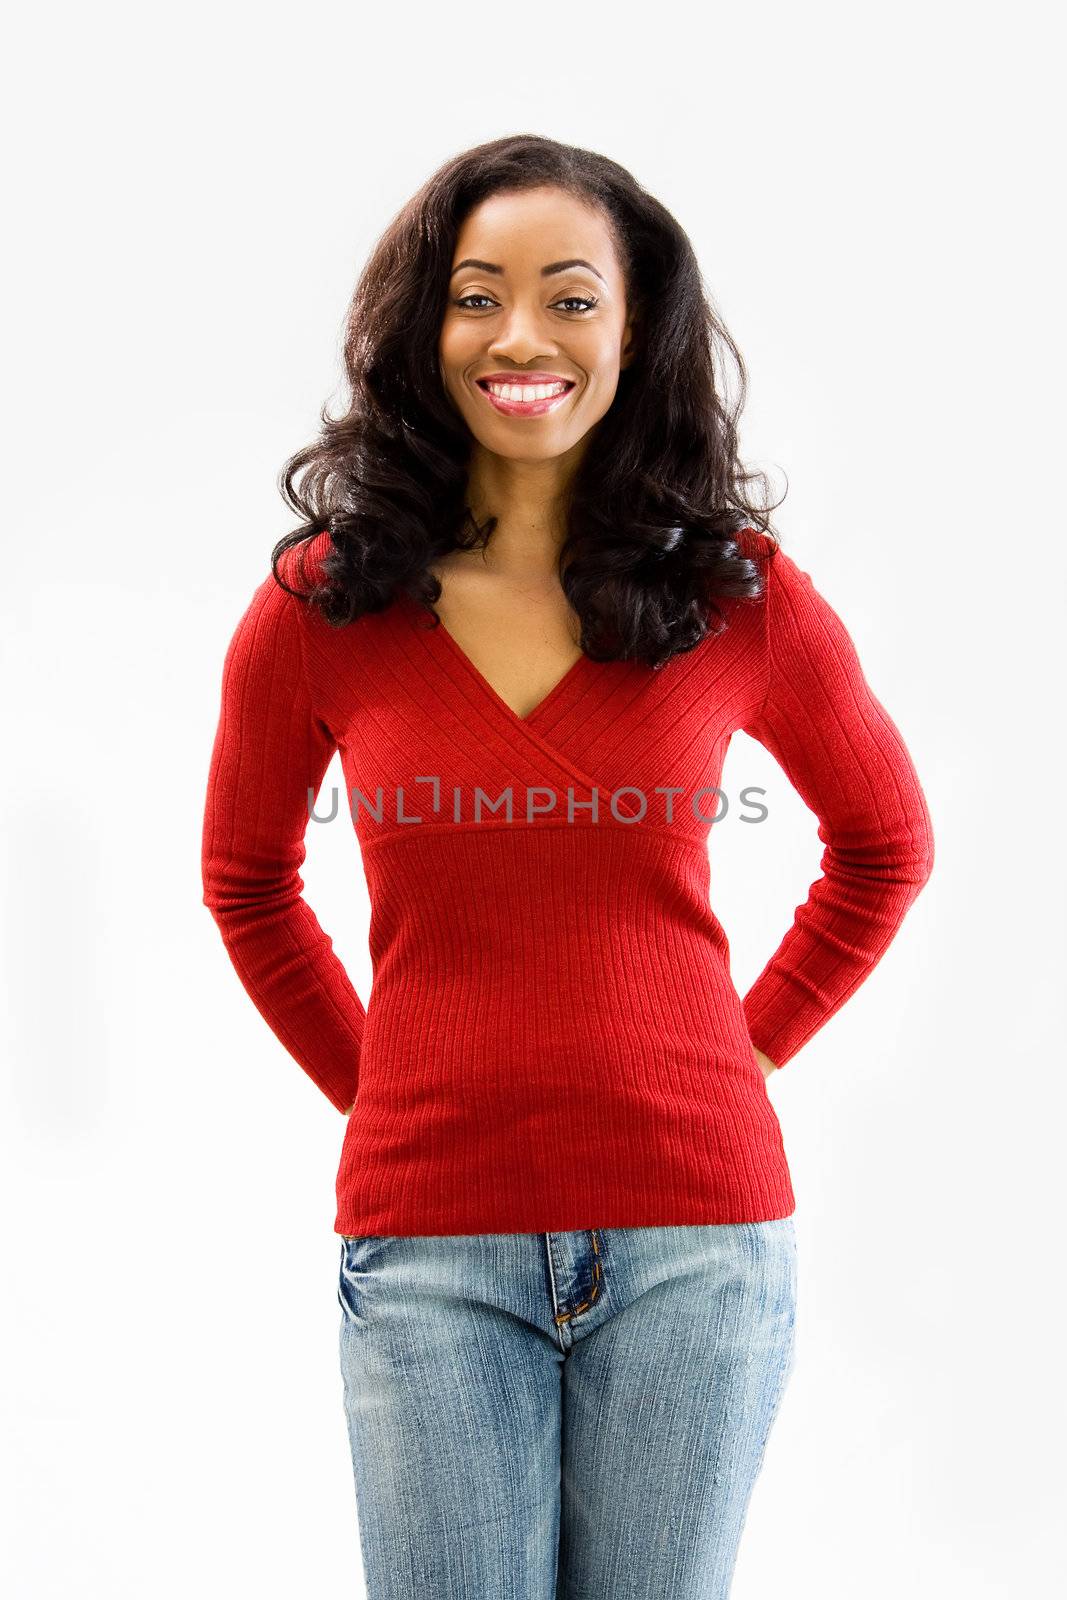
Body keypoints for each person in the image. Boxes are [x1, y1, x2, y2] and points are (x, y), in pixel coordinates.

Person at [201, 134, 935, 1599]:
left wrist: (736, 1052)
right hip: (428, 1254)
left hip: (700, 1248)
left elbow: (887, 848)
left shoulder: (740, 596)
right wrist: (388, 1086)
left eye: (570, 297)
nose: (520, 336)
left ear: (636, 327)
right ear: (427, 327)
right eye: (477, 294)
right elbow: (247, 883)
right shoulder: (321, 607)